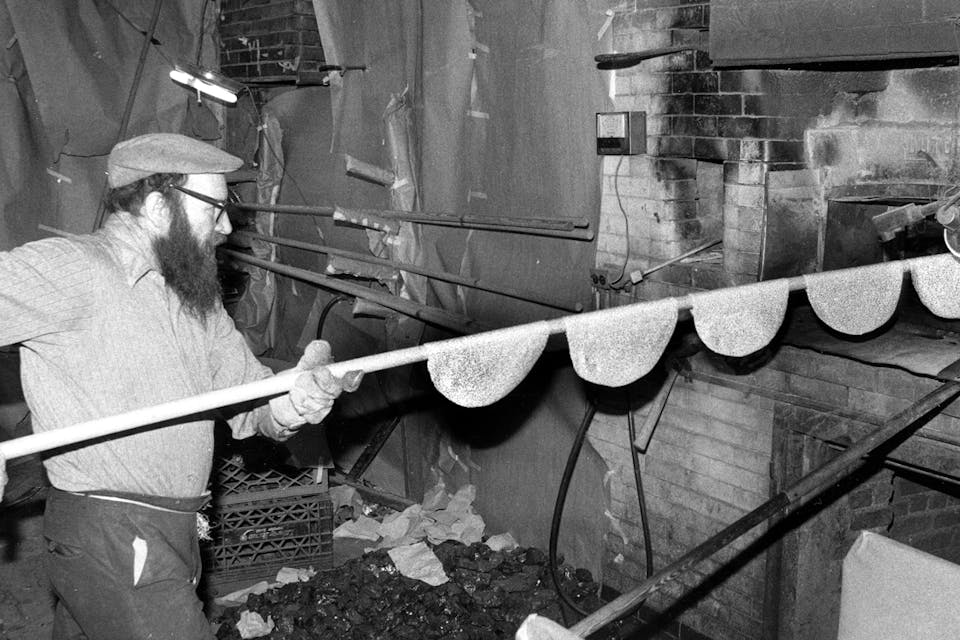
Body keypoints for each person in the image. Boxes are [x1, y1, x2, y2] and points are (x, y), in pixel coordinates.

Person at [0, 132, 360, 639]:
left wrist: (292, 400)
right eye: (213, 208)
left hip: (175, 528)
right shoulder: (75, 270)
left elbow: (248, 398)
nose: (226, 225)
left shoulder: (196, 298)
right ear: (156, 206)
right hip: (111, 532)